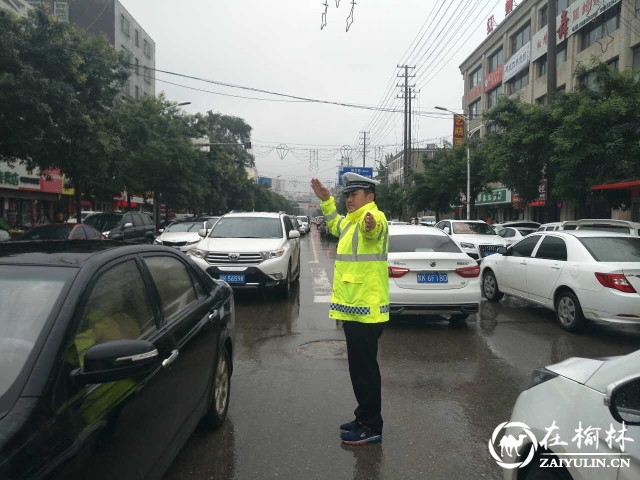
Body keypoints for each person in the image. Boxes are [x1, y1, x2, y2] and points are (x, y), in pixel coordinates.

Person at [310, 173, 389, 446]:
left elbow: (374, 228)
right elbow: (333, 224)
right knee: (358, 369)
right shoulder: (350, 223)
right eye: (347, 195)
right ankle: (362, 417)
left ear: (370, 197)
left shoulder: (373, 219)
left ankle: (372, 425)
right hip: (355, 310)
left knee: (366, 370)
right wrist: (327, 201)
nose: (349, 199)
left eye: (354, 195)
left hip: (367, 310)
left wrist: (370, 223)